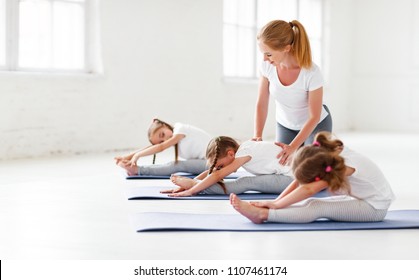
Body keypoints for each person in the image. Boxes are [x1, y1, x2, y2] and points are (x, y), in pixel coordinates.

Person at [230, 132, 395, 224]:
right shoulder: (320, 155)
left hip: (374, 208)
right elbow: (299, 182)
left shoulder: (344, 165)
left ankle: (263, 216)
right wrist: (275, 203)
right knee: (307, 203)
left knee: (316, 205)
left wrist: (273, 207)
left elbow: (309, 189)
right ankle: (267, 213)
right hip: (362, 199)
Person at [253, 19, 332, 164]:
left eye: (269, 54)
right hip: (286, 125)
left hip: (316, 124)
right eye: (263, 53)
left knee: (309, 165)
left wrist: (293, 147)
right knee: (282, 165)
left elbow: (314, 117)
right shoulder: (267, 67)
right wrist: (257, 135)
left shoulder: (311, 72)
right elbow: (262, 103)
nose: (264, 59)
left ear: (286, 48)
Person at [162, 136, 293, 197]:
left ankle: (194, 185)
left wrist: (191, 190)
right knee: (244, 181)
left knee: (246, 182)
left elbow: (217, 175)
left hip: (291, 180)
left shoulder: (244, 152)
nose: (221, 168)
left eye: (221, 165)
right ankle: (194, 184)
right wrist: (190, 183)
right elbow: (212, 172)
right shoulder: (244, 149)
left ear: (230, 154)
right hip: (286, 177)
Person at [115, 118, 211, 176]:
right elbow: (155, 147)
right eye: (161, 140)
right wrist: (128, 157)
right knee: (176, 164)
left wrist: (137, 156)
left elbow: (161, 147)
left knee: (177, 165)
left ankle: (138, 170)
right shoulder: (176, 139)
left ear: (165, 125)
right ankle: (137, 169)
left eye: (162, 134)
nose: (165, 140)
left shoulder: (180, 129)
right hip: (207, 163)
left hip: (214, 163)